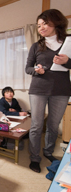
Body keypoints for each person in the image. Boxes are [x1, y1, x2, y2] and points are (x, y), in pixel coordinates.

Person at [25, 9, 71, 173]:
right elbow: (28, 68)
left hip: (61, 89)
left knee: (53, 125)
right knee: (37, 125)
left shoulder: (68, 43)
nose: (41, 27)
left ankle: (48, 151)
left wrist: (67, 61)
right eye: (39, 25)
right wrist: (36, 70)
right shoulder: (36, 46)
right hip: (38, 89)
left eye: (45, 23)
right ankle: (35, 158)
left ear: (56, 22)